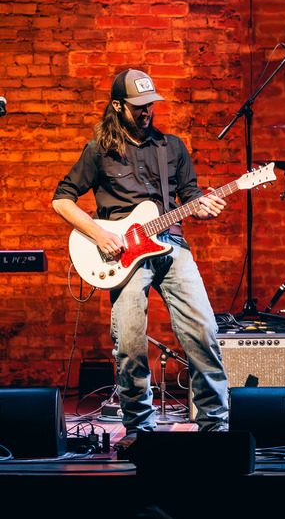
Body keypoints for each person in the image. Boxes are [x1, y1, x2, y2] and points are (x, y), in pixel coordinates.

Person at [52, 69, 230, 443]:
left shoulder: (172, 147)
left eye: (150, 104)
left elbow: (190, 194)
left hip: (172, 245)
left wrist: (201, 206)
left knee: (204, 332)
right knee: (130, 344)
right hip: (123, 255)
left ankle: (216, 427)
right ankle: (139, 430)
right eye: (138, 107)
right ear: (118, 106)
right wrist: (99, 234)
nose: (147, 112)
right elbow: (62, 199)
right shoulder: (99, 151)